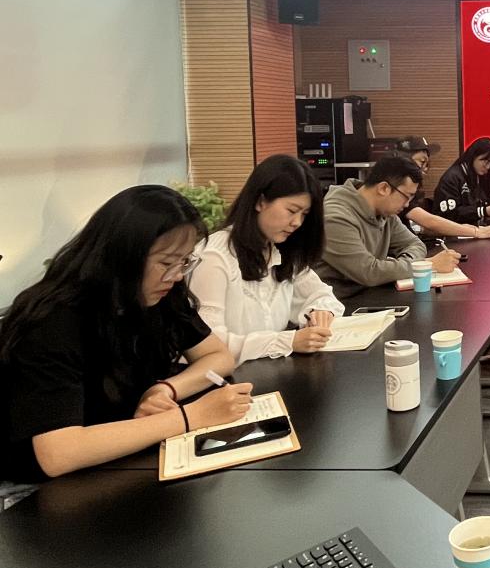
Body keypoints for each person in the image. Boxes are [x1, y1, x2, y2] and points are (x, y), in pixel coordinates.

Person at [0, 186, 252, 481]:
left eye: (184, 261)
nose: (176, 275)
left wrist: (166, 389)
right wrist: (192, 416)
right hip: (47, 488)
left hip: (122, 459)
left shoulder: (158, 295)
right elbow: (58, 454)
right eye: (166, 262)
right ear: (123, 256)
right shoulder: (53, 321)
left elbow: (217, 355)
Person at [189, 155, 345, 363]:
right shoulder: (215, 256)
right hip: (226, 378)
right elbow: (209, 344)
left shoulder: (280, 250)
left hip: (271, 372)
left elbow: (320, 294)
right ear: (260, 201)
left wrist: (321, 311)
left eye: (304, 214)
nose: (297, 222)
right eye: (292, 211)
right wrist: (287, 341)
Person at [313, 155, 460, 299]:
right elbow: (369, 272)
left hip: (371, 294)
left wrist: (399, 266)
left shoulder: (385, 213)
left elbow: (415, 244)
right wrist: (427, 264)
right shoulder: (335, 217)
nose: (407, 204)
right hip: (335, 305)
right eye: (407, 196)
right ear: (384, 188)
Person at [394, 135, 490, 240]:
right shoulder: (397, 187)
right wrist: (476, 232)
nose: (425, 169)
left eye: (427, 163)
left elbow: (422, 228)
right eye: (422, 162)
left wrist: (467, 229)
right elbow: (430, 221)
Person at [433, 137, 490, 224]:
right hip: (455, 228)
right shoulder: (452, 178)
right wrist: (482, 211)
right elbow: (448, 215)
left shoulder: (482, 176)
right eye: (486, 161)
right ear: (473, 156)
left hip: (477, 226)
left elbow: (488, 201)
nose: (488, 167)